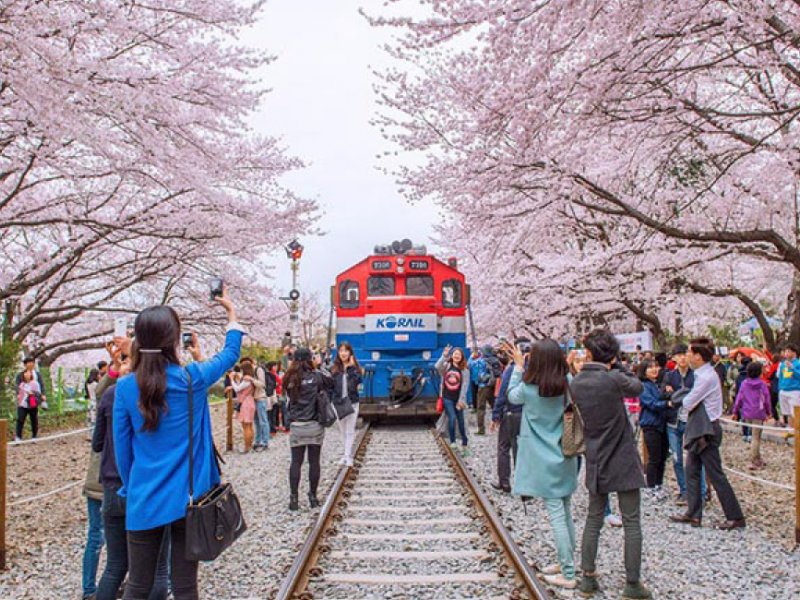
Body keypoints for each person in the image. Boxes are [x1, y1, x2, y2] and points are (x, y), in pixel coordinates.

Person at [113, 288, 242, 599]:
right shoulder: (192, 378)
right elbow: (230, 354)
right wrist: (232, 315)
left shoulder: (125, 387)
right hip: (190, 498)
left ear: (138, 341)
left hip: (144, 497)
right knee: (185, 587)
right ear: (174, 340)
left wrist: (133, 488)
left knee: (137, 586)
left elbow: (123, 451)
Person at [570, 329, 651, 600]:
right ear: (612, 355)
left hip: (595, 455)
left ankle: (587, 578)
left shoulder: (576, 382)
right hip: (623, 457)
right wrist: (619, 366)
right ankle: (632, 584)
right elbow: (638, 386)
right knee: (631, 522)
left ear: (589, 353)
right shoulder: (615, 378)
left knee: (593, 519)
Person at [93, 349, 169, 600]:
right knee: (158, 569)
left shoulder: (111, 394)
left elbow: (97, 443)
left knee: (115, 566)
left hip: (114, 485)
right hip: (148, 487)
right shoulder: (161, 392)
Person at [506, 339, 578, 589]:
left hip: (541, 458)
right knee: (565, 509)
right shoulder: (567, 385)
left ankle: (568, 574)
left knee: (557, 514)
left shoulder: (528, 388)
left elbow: (511, 397)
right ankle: (566, 561)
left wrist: (517, 367)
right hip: (565, 454)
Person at [670, 337, 745, 530]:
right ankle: (694, 513)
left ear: (698, 356)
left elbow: (688, 402)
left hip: (707, 429)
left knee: (715, 473)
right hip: (700, 427)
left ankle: (735, 516)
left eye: (689, 352)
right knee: (691, 470)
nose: (686, 355)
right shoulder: (702, 374)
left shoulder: (706, 377)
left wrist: (679, 398)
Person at [285, 347, 332, 510]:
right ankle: (312, 496)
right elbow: (331, 383)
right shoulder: (317, 376)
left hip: (297, 425)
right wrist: (320, 366)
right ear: (310, 359)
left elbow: (288, 399)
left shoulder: (289, 378)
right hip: (314, 424)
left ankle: (294, 499)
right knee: (314, 462)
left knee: (296, 463)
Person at [489, 338, 530, 493]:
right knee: (522, 449)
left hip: (511, 413)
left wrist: (495, 416)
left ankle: (504, 482)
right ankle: (525, 487)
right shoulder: (534, 368)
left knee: (504, 447)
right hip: (527, 414)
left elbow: (502, 393)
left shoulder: (512, 369)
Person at [661, 343, 697, 505]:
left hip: (691, 420)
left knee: (694, 458)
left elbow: (693, 395)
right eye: (679, 355)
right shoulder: (669, 376)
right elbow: (664, 395)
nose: (682, 358)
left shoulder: (695, 375)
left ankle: (698, 492)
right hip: (673, 421)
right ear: (674, 358)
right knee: (677, 458)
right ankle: (684, 491)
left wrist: (675, 394)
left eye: (685, 354)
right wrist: (676, 395)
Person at [731, 361, 772, 470]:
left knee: (753, 435)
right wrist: (769, 412)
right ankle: (755, 460)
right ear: (759, 372)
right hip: (758, 412)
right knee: (756, 437)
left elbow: (739, 398)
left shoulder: (744, 383)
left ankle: (757, 457)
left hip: (747, 412)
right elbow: (767, 399)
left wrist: (735, 412)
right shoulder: (762, 384)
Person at [637, 359, 668, 492]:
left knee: (662, 456)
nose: (654, 369)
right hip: (650, 424)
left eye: (656, 366)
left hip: (661, 423)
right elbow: (651, 403)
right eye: (650, 367)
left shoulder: (657, 385)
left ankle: (659, 483)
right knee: (654, 457)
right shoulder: (643, 386)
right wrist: (667, 404)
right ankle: (651, 485)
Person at [331, 342, 363, 466]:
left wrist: (351, 367)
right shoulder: (334, 368)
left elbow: (358, 381)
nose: (343, 353)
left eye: (346, 350)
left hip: (352, 402)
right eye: (341, 350)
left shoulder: (355, 368)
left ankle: (348, 455)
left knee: (350, 430)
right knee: (342, 430)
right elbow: (330, 386)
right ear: (338, 353)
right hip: (338, 403)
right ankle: (345, 454)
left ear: (350, 353)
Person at [435, 345, 470, 453]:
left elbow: (465, 386)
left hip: (458, 398)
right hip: (447, 397)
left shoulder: (465, 370)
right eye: (455, 354)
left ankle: (465, 442)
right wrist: (444, 355)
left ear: (462, 357)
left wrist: (461, 401)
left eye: (459, 354)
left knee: (461, 422)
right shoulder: (446, 366)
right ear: (452, 355)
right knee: (452, 417)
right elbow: (437, 366)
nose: (457, 356)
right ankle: (453, 441)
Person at [81, 450, 105, 600]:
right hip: (106, 484)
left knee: (95, 536)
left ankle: (89, 588)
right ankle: (89, 588)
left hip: (97, 481)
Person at [468, 347, 495, 435]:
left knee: (481, 408)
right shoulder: (495, 360)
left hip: (483, 386)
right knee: (495, 406)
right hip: (493, 386)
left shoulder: (480, 361)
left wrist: (471, 357)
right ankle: (501, 425)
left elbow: (469, 365)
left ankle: (481, 429)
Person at [232, 362, 257, 453]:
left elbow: (237, 389)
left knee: (246, 426)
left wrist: (231, 380)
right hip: (250, 401)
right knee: (249, 425)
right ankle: (250, 445)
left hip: (245, 403)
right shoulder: (251, 379)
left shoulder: (247, 379)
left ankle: (247, 447)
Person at [246, 357, 270, 451]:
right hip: (253, 399)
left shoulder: (258, 370)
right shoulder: (249, 372)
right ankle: (258, 441)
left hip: (260, 397)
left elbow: (262, 384)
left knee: (263, 421)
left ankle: (265, 442)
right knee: (256, 422)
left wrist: (251, 379)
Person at [16, 369, 42, 440]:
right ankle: (18, 436)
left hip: (32, 404)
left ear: (31, 374)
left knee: (33, 420)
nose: (26, 374)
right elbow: (19, 393)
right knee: (20, 420)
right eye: (25, 373)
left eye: (28, 373)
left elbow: (38, 394)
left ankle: (34, 435)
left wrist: (32, 393)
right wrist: (18, 397)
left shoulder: (35, 384)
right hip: (22, 404)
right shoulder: (22, 384)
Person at [778, 343, 800, 428]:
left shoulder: (798, 363)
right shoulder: (783, 364)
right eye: (785, 351)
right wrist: (780, 388)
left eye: (788, 351)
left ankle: (797, 432)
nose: (786, 353)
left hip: (794, 391)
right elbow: (781, 377)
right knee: (787, 413)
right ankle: (790, 430)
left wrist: (792, 368)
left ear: (794, 353)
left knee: (795, 412)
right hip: (783, 390)